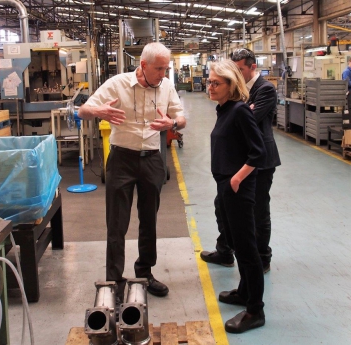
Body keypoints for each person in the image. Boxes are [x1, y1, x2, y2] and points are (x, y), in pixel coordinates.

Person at [77, 42, 186, 302]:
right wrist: (98, 110)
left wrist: (171, 122)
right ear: (143, 65)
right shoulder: (117, 84)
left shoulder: (167, 86)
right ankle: (114, 280)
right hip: (121, 159)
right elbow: (82, 111)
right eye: (159, 69)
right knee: (116, 223)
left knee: (149, 220)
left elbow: (181, 118)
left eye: (166, 68)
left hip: (152, 160)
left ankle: (145, 272)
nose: (163, 73)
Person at [201, 48, 281, 273]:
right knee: (223, 207)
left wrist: (244, 111)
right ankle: (226, 251)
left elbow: (249, 121)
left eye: (240, 69)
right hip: (236, 161)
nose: (235, 74)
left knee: (258, 211)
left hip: (260, 161)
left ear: (252, 67)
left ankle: (262, 256)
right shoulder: (235, 99)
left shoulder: (265, 89)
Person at [207, 59, 266, 333]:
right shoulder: (224, 110)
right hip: (225, 186)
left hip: (237, 188)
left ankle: (255, 310)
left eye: (215, 83)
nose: (210, 86)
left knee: (246, 247)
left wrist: (237, 178)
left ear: (231, 85)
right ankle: (244, 291)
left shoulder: (240, 111)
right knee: (232, 239)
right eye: (209, 82)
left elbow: (258, 152)